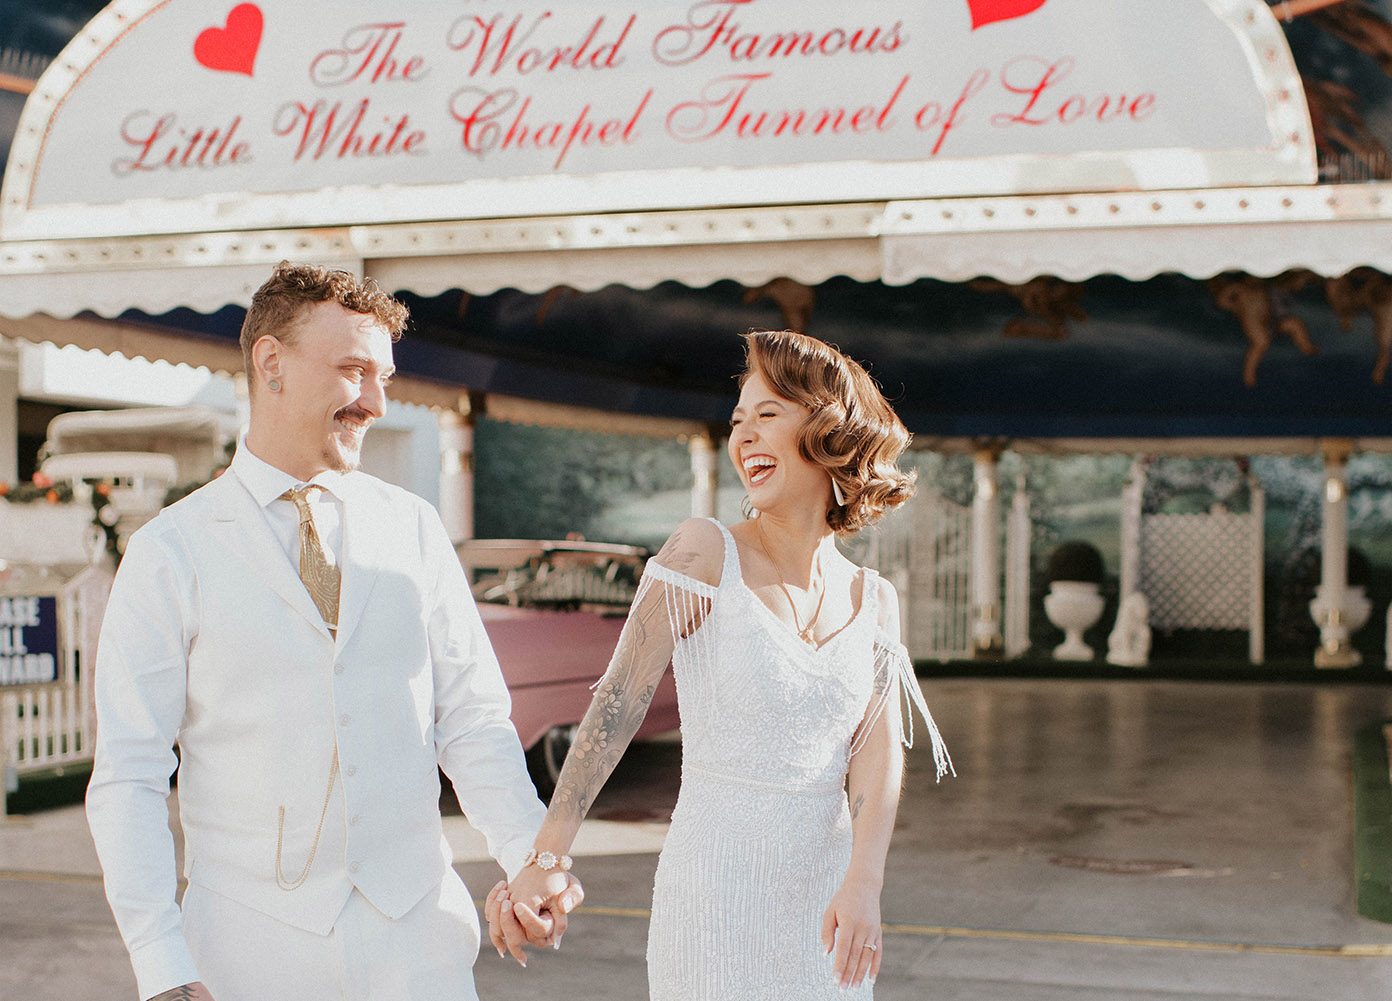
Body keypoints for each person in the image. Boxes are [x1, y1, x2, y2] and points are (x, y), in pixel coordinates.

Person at [86, 262, 578, 1001]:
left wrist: (525, 854)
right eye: (354, 371)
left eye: (383, 376)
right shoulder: (171, 551)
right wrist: (161, 961)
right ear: (271, 363)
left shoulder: (411, 525)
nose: (376, 403)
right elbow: (129, 772)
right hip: (245, 960)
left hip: (419, 953)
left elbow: (473, 720)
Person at [487, 330, 952, 998]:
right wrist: (546, 856)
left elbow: (876, 758)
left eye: (768, 414)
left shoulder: (874, 598)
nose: (744, 437)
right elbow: (617, 704)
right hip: (713, 898)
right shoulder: (704, 551)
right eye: (738, 421)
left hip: (828, 906)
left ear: (829, 431)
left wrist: (864, 884)